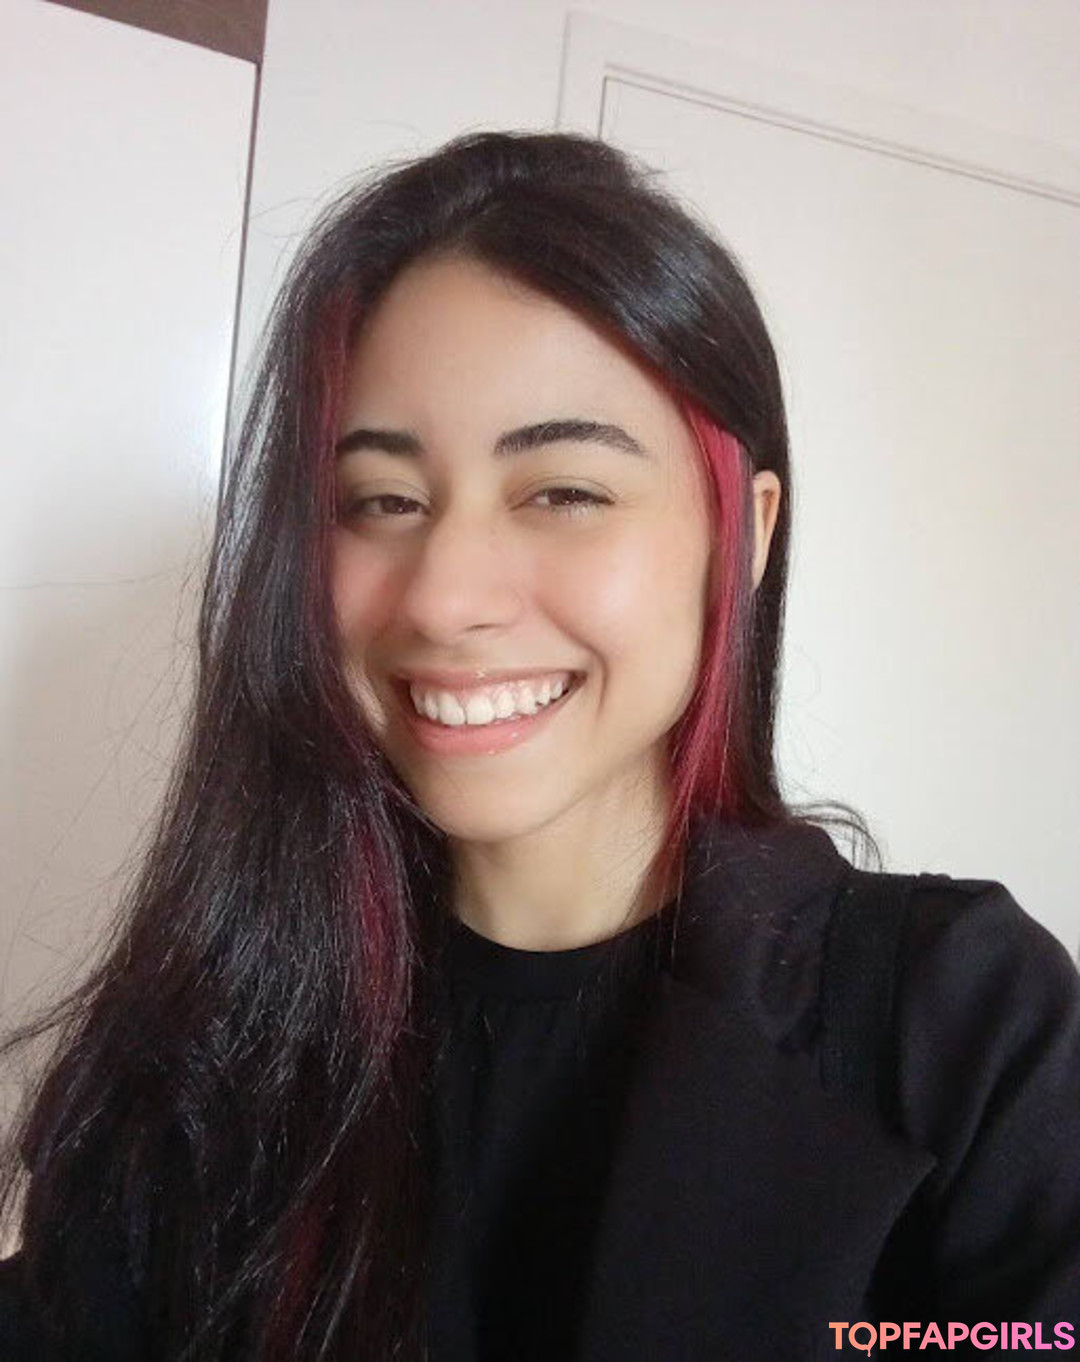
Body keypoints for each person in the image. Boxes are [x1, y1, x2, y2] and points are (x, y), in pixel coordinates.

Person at [1, 130, 1077, 1362]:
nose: (444, 597)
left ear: (745, 533)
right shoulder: (224, 1036)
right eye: (383, 501)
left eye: (564, 491)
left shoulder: (958, 1028)